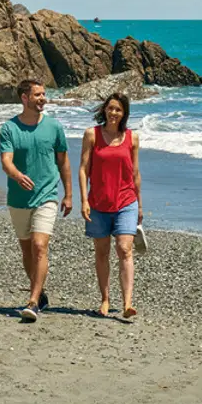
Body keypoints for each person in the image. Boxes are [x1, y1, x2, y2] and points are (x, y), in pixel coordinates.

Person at [0, 79, 72, 323]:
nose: (43, 98)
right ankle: (40, 294)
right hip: (18, 198)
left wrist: (69, 194)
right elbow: (6, 161)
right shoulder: (9, 128)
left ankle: (33, 301)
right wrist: (17, 175)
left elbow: (63, 161)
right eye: (38, 95)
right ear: (24, 98)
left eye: (44, 94)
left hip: (47, 195)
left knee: (40, 245)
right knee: (27, 250)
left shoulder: (54, 127)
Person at [79, 92, 142, 318]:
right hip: (98, 203)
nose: (113, 113)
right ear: (104, 110)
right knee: (102, 252)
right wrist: (84, 200)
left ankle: (127, 303)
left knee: (124, 248)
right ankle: (105, 299)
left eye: (118, 109)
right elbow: (83, 169)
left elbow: (135, 173)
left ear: (124, 113)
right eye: (110, 108)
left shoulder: (131, 138)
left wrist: (140, 205)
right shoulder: (92, 135)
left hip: (126, 201)